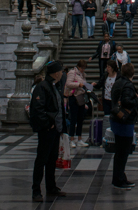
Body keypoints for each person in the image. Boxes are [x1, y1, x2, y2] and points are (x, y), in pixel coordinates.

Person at [30, 60, 67, 202]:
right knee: (42, 159)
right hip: (47, 130)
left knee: (52, 159)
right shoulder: (42, 87)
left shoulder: (54, 86)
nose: (62, 73)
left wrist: (61, 127)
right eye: (61, 71)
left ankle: (51, 186)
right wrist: (47, 124)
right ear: (56, 73)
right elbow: (38, 109)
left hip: (55, 129)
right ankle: (36, 190)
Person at [110, 63, 138, 190]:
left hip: (117, 119)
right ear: (132, 73)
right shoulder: (127, 85)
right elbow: (127, 101)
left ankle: (120, 177)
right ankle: (119, 179)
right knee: (123, 151)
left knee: (120, 151)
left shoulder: (118, 82)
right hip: (124, 121)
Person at [64, 60, 90, 146]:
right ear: (78, 67)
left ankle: (79, 138)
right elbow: (68, 84)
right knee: (73, 119)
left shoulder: (82, 74)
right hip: (74, 97)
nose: (83, 70)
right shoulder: (72, 72)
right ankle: (71, 138)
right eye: (82, 68)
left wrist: (89, 86)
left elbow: (84, 83)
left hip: (81, 97)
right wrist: (78, 84)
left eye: (84, 68)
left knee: (80, 119)